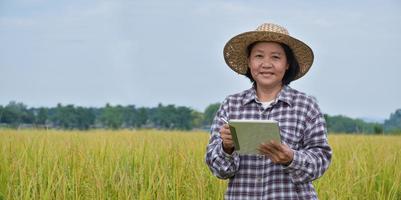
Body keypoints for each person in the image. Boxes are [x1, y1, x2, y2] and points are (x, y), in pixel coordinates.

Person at [205, 23, 332, 199]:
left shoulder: (305, 105)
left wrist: (291, 158)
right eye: (258, 56)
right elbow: (219, 170)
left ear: (287, 64)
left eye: (276, 57)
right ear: (249, 62)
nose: (266, 64)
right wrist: (226, 147)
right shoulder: (231, 105)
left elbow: (321, 160)